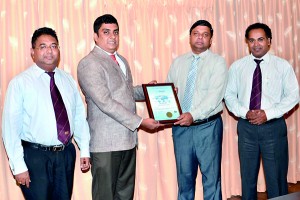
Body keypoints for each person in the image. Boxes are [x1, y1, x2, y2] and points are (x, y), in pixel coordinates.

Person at [77, 14, 162, 200]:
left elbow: (125, 92)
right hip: (106, 144)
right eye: (106, 32)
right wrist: (140, 122)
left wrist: (149, 90)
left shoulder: (121, 60)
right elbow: (105, 101)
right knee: (105, 196)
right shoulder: (89, 63)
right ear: (95, 36)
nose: (112, 37)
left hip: (127, 140)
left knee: (125, 195)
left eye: (115, 32)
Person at [2, 27, 90, 200]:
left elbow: (79, 117)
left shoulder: (68, 80)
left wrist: (85, 149)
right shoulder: (20, 83)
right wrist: (18, 166)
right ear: (32, 52)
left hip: (65, 154)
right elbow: (10, 128)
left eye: (53, 46)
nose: (49, 51)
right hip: (35, 157)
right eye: (42, 46)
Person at [225, 22, 299, 199]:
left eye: (260, 39)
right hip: (246, 127)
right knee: (248, 178)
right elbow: (229, 95)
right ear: (247, 43)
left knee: (276, 179)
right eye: (251, 40)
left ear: (269, 41)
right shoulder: (237, 66)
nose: (256, 44)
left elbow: (294, 96)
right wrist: (244, 112)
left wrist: (268, 113)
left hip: (273, 128)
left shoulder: (282, 66)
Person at [166, 20, 228, 200]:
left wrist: (193, 115)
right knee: (184, 179)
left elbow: (214, 97)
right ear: (190, 37)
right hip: (181, 129)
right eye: (196, 34)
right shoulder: (178, 62)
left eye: (205, 34)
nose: (200, 38)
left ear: (211, 40)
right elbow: (169, 92)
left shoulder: (218, 63)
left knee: (211, 179)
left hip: (207, 128)